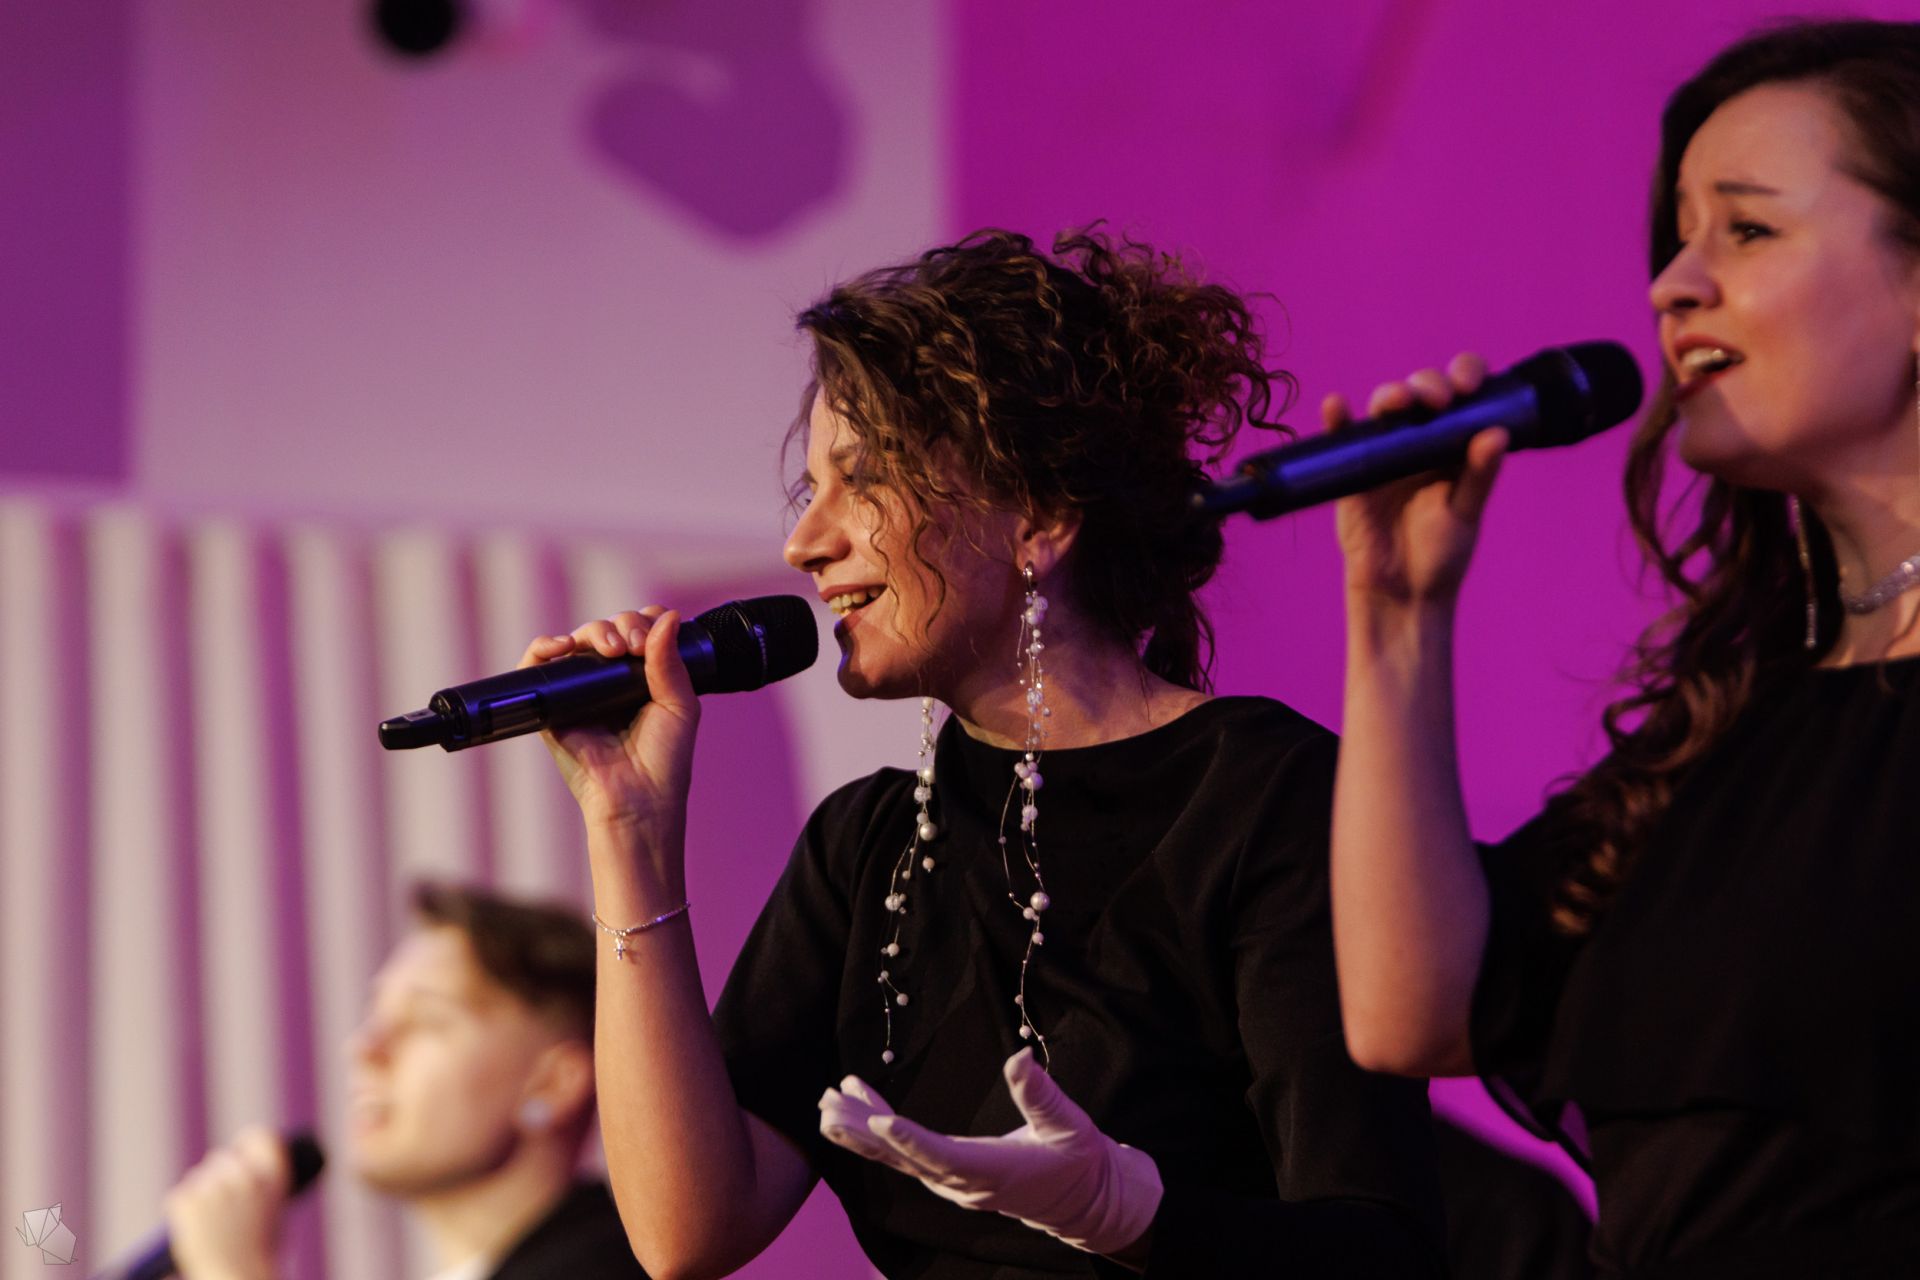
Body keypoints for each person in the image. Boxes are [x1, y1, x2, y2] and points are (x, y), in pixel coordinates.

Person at [521, 228, 1446, 1277]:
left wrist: (1134, 1214)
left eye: (864, 480)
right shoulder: (866, 849)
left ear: (1039, 515)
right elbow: (686, 1230)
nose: (805, 542)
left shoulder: (1260, 795)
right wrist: (629, 827)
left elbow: (1384, 1252)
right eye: (807, 491)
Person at [1325, 18, 1920, 1278]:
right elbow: (1410, 1012)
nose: (1672, 285)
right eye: (1678, 238)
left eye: (1746, 229)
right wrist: (1397, 614)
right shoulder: (1737, 733)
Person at [164, 882, 647, 1280]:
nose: (365, 1048)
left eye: (424, 1020)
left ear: (552, 1083)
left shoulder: (612, 1267)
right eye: (373, 1016)